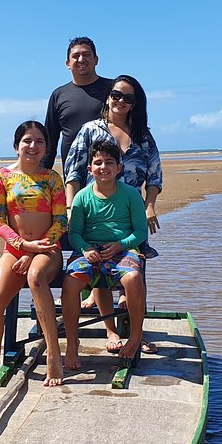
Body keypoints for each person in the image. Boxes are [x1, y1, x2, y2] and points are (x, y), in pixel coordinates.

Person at [63, 74, 162, 351]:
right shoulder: (91, 130)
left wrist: (150, 205)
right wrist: (72, 207)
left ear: (135, 104)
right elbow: (73, 171)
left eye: (128, 98)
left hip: (131, 213)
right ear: (108, 97)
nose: (121, 101)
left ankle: (135, 334)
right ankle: (110, 331)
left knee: (133, 274)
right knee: (102, 278)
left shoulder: (143, 135)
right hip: (94, 212)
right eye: (116, 95)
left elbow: (154, 174)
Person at [0, 121, 68, 386]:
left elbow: (61, 222)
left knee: (36, 277)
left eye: (39, 141)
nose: (33, 146)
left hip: (47, 250)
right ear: (17, 146)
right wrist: (22, 246)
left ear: (46, 148)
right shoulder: (2, 177)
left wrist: (35, 249)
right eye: (27, 141)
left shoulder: (52, 178)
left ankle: (53, 354)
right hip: (14, 250)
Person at [62, 139, 149, 368]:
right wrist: (85, 249)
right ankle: (72, 343)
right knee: (70, 283)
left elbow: (140, 231)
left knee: (133, 278)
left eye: (109, 162)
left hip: (122, 248)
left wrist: (121, 244)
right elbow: (75, 234)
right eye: (98, 162)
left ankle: (135, 336)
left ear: (119, 168)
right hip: (89, 250)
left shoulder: (130, 194)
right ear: (89, 169)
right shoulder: (82, 196)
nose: (104, 167)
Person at [42, 36, 112, 170]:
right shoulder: (59, 95)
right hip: (74, 174)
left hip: (109, 171)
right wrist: (42, 175)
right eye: (76, 56)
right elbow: (50, 142)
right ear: (68, 63)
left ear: (96, 60)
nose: (81, 59)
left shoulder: (113, 90)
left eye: (86, 54)